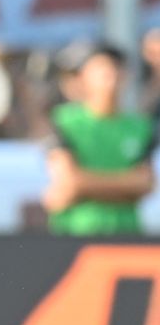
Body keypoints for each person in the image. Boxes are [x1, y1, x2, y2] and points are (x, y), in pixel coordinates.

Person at [44, 43, 156, 236]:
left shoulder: (140, 128)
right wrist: (127, 189)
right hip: (75, 233)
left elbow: (145, 183)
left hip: (126, 233)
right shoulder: (64, 121)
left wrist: (82, 188)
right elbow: (69, 180)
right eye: (99, 70)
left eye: (112, 68)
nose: (108, 76)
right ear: (83, 77)